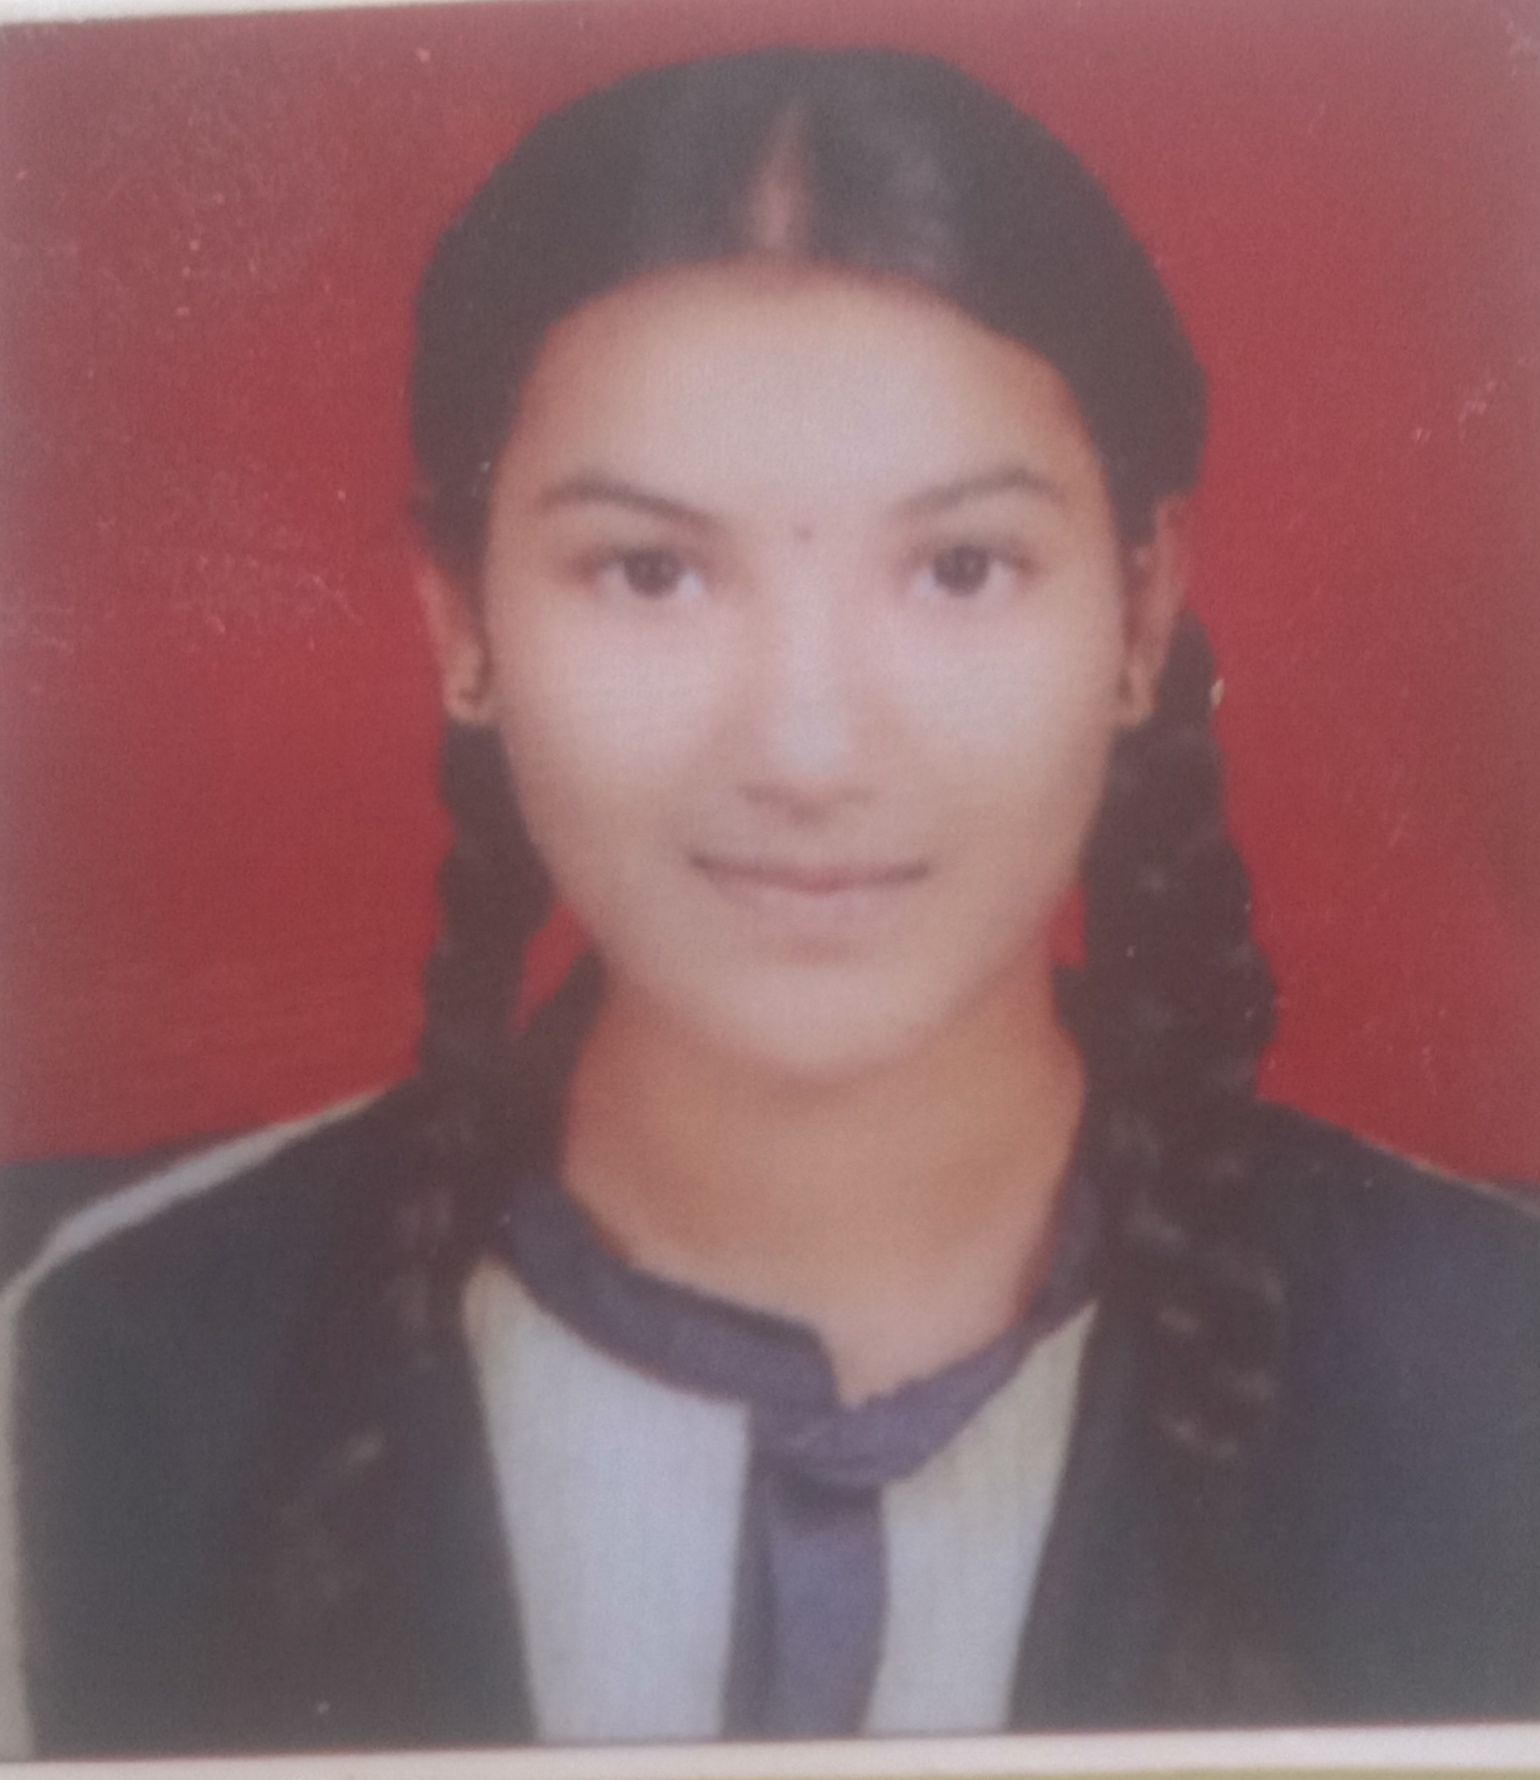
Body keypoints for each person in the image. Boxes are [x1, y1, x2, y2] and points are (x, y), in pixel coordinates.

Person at [2, 44, 1538, 1760]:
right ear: (463, 622)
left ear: (1142, 611)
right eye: (651, 570)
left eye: (961, 568)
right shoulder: (92, 1361)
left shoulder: (1496, 1360)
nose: (807, 750)